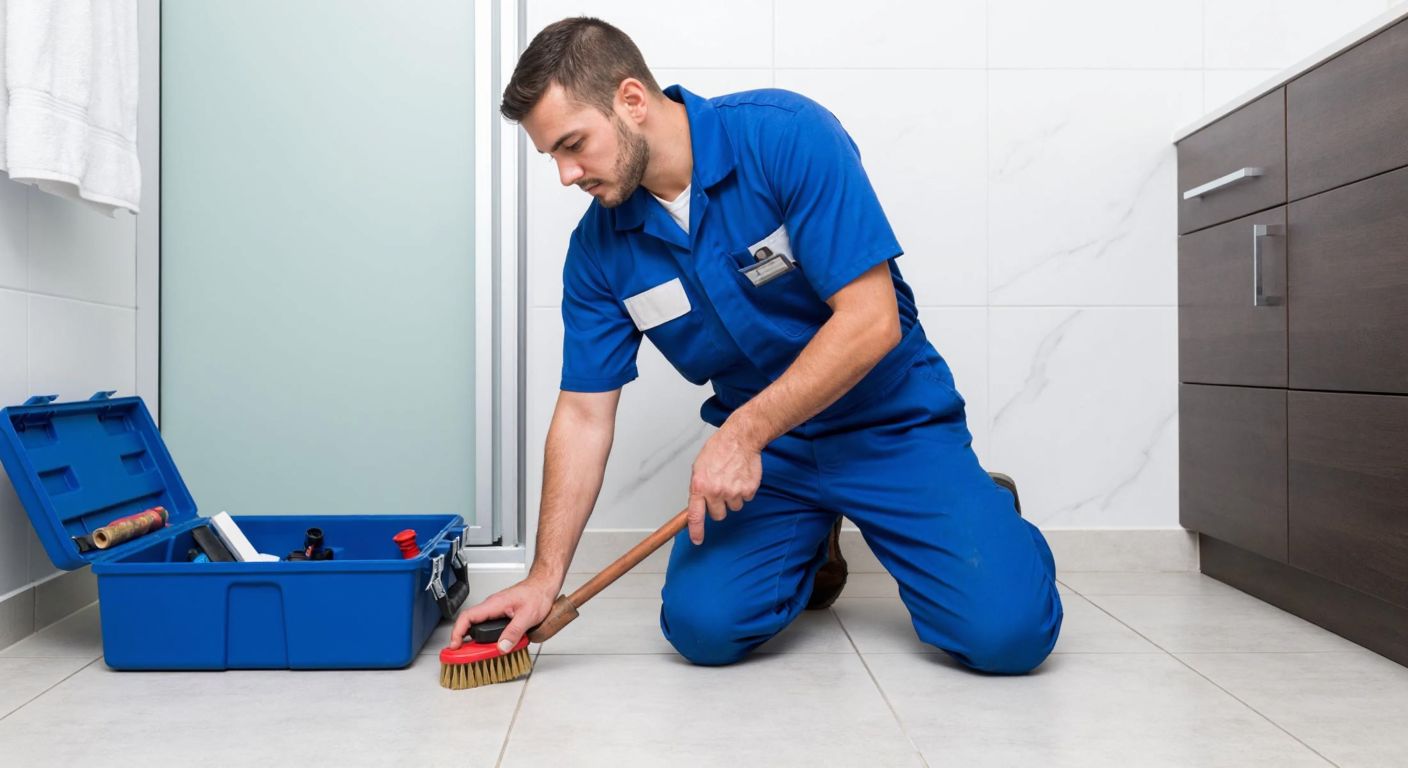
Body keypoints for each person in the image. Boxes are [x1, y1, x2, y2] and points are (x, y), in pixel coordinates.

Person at [450, 17, 1063, 673]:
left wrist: (740, 434)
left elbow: (871, 320)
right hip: (774, 460)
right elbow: (582, 414)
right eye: (553, 157)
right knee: (701, 630)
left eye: (574, 145)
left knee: (1008, 637)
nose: (567, 175)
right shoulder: (598, 251)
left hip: (888, 424)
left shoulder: (786, 137)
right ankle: (812, 542)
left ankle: (981, 504)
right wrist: (545, 575)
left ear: (631, 101)